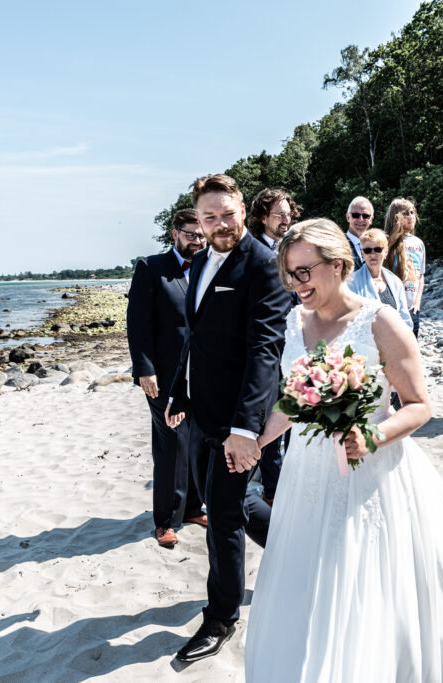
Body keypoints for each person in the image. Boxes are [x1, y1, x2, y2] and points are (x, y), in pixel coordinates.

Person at [244, 218, 443, 682]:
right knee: (306, 581)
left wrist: (370, 437)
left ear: (337, 266)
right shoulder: (293, 323)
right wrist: (254, 443)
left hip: (372, 470)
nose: (294, 284)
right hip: (305, 474)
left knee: (365, 578)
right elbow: (296, 400)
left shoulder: (381, 321)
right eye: (288, 275)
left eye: (302, 272)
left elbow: (419, 407)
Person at [165, 174, 290, 663]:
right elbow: (193, 337)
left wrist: (245, 432)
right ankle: (294, 544)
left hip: (238, 421)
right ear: (197, 219)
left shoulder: (264, 266)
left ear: (245, 210)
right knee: (233, 506)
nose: (218, 225)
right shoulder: (200, 262)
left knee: (220, 518)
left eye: (227, 214)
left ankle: (221, 617)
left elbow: (265, 351)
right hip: (201, 412)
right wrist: (179, 391)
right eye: (208, 217)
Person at [126, 209, 207, 548]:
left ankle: (191, 508)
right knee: (170, 443)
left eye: (201, 235)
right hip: (163, 376)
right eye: (191, 234)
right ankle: (164, 520)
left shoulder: (209, 267)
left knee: (196, 442)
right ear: (175, 233)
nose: (198, 241)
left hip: (202, 373)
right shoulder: (151, 268)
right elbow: (137, 323)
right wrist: (144, 369)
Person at [247, 187, 302, 504]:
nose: (286, 219)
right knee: (269, 419)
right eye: (278, 214)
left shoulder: (296, 249)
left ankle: (293, 481)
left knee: (298, 413)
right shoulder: (252, 253)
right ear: (262, 218)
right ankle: (272, 491)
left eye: (288, 213)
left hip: (298, 345)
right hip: (267, 349)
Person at [348, 227, 413, 329]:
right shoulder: (351, 282)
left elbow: (405, 318)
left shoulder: (395, 282)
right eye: (368, 250)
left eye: (378, 249)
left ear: (386, 252)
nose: (373, 254)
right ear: (362, 254)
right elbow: (349, 320)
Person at [382, 198, 426, 336]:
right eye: (406, 213)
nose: (412, 216)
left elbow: (420, 275)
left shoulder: (418, 243)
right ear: (396, 216)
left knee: (412, 350)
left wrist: (417, 303)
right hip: (390, 308)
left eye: (413, 212)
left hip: (412, 308)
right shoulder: (384, 241)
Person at [343, 196, 372, 271]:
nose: (361, 219)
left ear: (371, 219)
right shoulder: (338, 244)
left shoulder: (377, 245)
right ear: (348, 217)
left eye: (365, 216)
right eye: (355, 215)